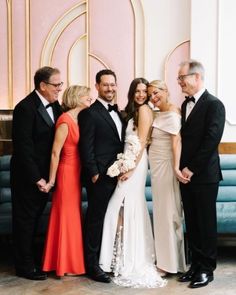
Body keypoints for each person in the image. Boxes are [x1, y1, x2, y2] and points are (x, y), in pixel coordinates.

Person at [99, 78, 166, 288]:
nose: (141, 95)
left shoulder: (145, 110)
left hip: (135, 163)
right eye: (137, 91)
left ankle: (127, 258)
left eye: (144, 91)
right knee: (120, 209)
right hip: (127, 160)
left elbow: (143, 142)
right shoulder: (130, 111)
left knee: (121, 207)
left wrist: (130, 168)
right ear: (132, 92)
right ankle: (119, 258)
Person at [10, 66, 63, 280]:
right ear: (42, 85)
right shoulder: (24, 108)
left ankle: (34, 261)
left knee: (35, 220)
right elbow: (23, 148)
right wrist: (37, 179)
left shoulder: (56, 105)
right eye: (56, 85)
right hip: (27, 178)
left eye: (61, 84)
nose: (60, 88)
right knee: (25, 222)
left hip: (46, 178)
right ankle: (24, 267)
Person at [177, 60, 225, 288]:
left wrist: (190, 168)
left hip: (204, 175)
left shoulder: (215, 104)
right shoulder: (184, 105)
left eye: (182, 78)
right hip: (185, 176)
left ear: (196, 77)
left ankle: (207, 269)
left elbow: (210, 141)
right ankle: (195, 265)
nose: (179, 83)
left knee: (205, 223)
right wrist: (180, 169)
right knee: (193, 222)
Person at [78, 69, 125, 283]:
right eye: (105, 84)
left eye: (113, 84)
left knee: (111, 218)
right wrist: (94, 173)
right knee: (95, 220)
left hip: (119, 174)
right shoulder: (89, 113)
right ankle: (92, 265)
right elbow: (85, 147)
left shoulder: (120, 113)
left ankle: (109, 260)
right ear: (97, 86)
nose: (110, 88)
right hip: (100, 177)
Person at [42, 85, 91, 277]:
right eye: (86, 96)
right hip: (65, 173)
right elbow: (55, 152)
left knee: (72, 217)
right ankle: (62, 264)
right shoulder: (65, 120)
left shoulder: (79, 119)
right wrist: (52, 181)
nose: (89, 98)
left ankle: (70, 262)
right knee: (65, 216)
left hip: (76, 173)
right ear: (77, 98)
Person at [147, 80, 187, 277]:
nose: (153, 98)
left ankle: (168, 264)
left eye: (156, 93)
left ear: (166, 90)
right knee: (163, 212)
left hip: (165, 167)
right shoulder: (159, 113)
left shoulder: (172, 112)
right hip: (156, 167)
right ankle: (170, 260)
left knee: (167, 214)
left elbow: (176, 142)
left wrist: (176, 167)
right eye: (150, 95)